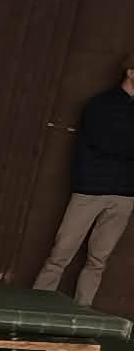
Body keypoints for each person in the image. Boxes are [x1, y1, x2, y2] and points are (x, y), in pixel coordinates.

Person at [33, 56, 134, 306]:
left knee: (99, 260)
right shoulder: (100, 104)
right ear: (130, 72)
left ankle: (82, 311)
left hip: (125, 195)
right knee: (60, 254)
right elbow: (106, 143)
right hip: (91, 190)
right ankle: (36, 306)